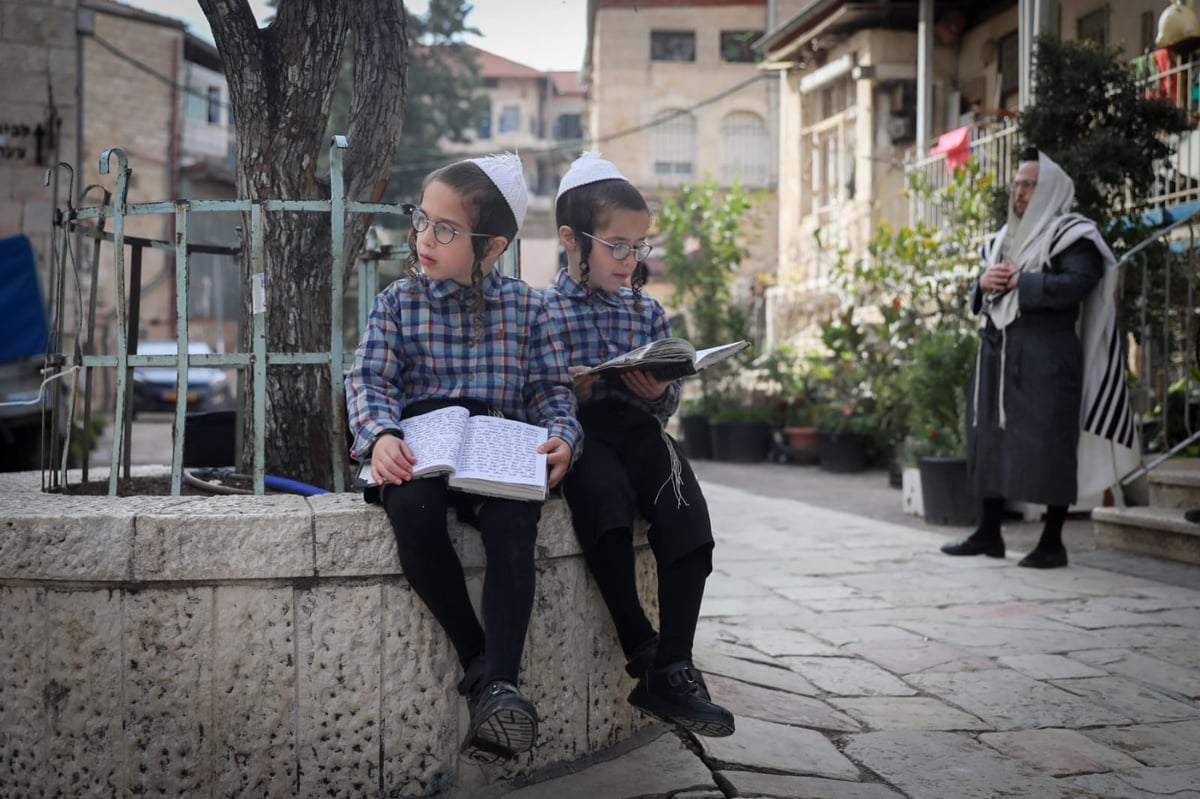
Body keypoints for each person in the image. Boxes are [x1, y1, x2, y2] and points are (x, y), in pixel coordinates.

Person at [345, 153, 581, 764]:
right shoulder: (399, 302)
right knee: (415, 513)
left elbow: (552, 392)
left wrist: (562, 434)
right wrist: (381, 436)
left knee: (512, 527)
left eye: (446, 231)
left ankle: (498, 677)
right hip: (422, 443)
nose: (424, 238)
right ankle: (486, 670)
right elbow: (370, 380)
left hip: (498, 444)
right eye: (422, 220)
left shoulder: (533, 309)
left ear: (492, 247)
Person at [540, 152, 735, 737]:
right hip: (582, 435)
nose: (631, 260)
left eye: (640, 246)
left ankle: (676, 665)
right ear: (573, 241)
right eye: (617, 246)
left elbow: (667, 402)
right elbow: (530, 396)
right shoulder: (540, 311)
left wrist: (657, 389)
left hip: (640, 431)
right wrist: (566, 387)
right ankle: (643, 652)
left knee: (686, 513)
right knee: (602, 504)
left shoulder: (647, 310)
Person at [941, 148, 1140, 568]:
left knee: (1050, 442)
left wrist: (1022, 282)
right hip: (997, 350)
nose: (1019, 192)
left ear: (1049, 189)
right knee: (988, 438)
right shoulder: (1001, 239)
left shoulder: (1072, 234)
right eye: (1016, 185)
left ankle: (1052, 542)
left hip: (1047, 354)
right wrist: (983, 283)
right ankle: (988, 533)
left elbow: (1078, 284)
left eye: (1028, 185)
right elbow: (984, 295)